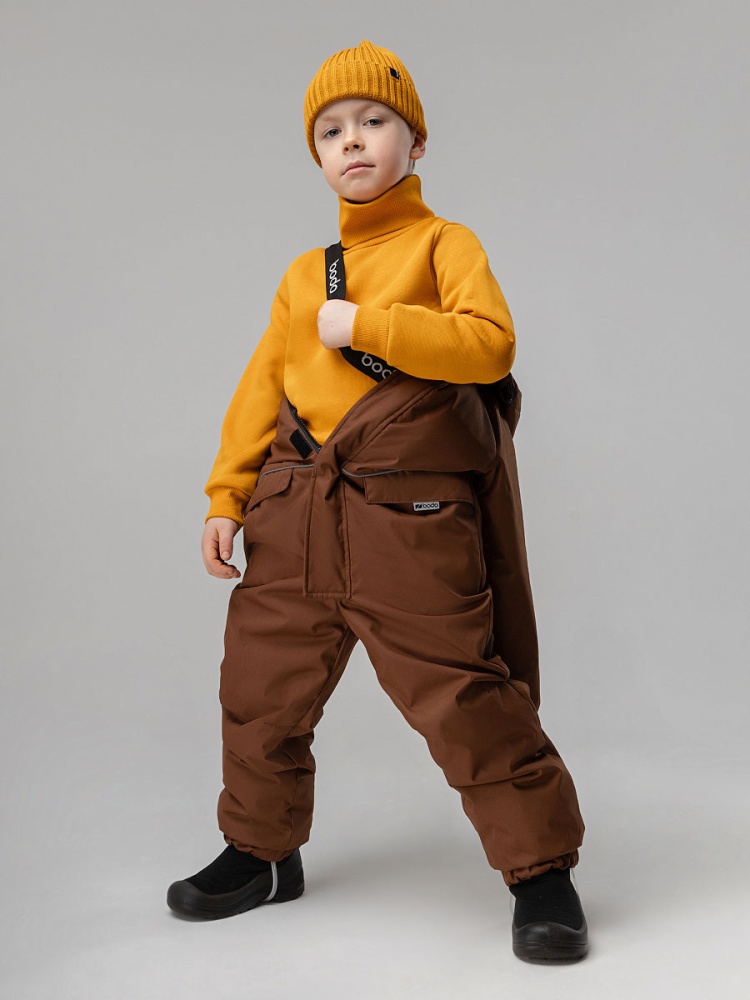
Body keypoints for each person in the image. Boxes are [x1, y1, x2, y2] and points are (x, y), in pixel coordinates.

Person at [166, 40, 589, 964]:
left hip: (411, 521)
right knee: (258, 692)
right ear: (317, 157)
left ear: (416, 142)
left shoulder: (444, 245)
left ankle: (541, 872)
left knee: (463, 695)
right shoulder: (301, 274)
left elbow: (489, 346)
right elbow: (261, 392)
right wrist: (226, 496)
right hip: (295, 513)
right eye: (331, 130)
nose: (352, 141)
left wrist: (365, 325)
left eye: (373, 121)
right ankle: (261, 853)